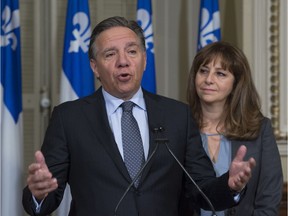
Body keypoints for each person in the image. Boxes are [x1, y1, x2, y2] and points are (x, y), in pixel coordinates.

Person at [22, 17, 256, 216]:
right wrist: (38, 193)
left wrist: (229, 186)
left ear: (144, 60)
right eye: (110, 54)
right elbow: (45, 200)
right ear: (94, 67)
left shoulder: (177, 116)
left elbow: (202, 190)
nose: (123, 61)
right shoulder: (69, 118)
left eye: (132, 52)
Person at [184, 41, 283, 215]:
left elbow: (268, 201)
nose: (208, 80)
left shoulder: (260, 130)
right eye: (203, 71)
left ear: (236, 83)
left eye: (220, 74)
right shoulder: (177, 127)